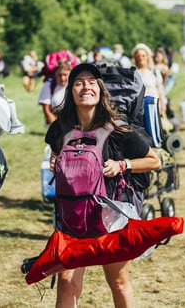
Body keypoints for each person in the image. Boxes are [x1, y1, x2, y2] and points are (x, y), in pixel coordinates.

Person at [45, 63, 161, 308]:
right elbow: (56, 155)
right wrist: (56, 161)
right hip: (72, 219)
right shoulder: (59, 129)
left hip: (111, 219)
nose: (85, 87)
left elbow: (154, 160)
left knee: (117, 281)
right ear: (71, 91)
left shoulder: (118, 129)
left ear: (100, 89)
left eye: (91, 82)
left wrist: (122, 165)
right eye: (78, 82)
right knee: (66, 281)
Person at [38, 59, 73, 128]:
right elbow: (46, 110)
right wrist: (58, 129)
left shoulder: (74, 85)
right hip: (55, 124)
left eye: (65, 75)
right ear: (55, 74)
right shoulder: (49, 85)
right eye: (59, 75)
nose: (62, 78)